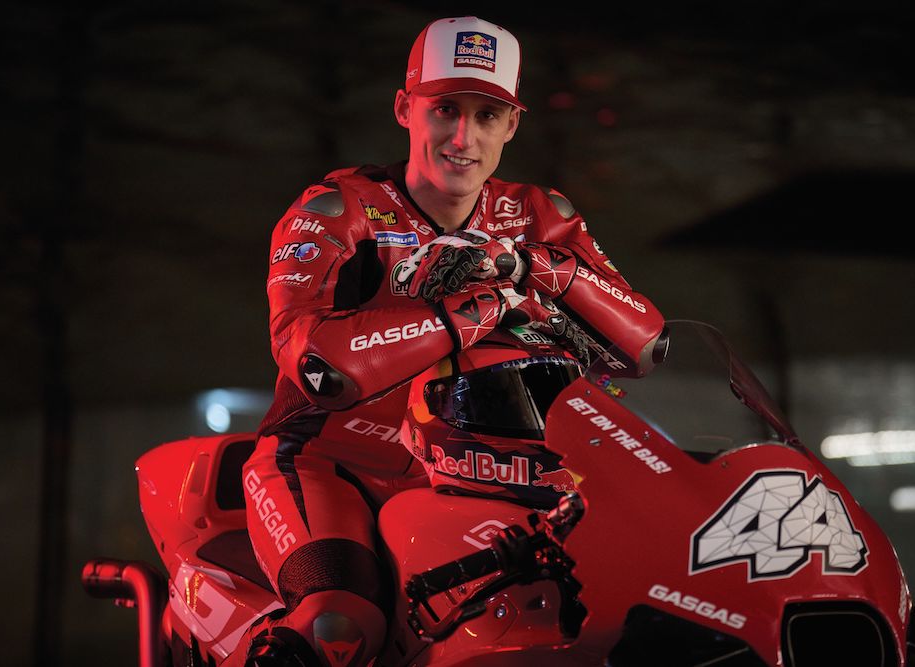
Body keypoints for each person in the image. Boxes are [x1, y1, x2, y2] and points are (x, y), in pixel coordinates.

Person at [229, 15, 665, 667]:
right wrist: (477, 308)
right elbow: (319, 367)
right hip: (331, 463)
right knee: (339, 629)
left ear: (512, 125)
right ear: (405, 109)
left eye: (487, 116)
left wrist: (531, 266)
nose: (464, 138)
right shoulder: (337, 208)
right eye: (445, 110)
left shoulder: (539, 214)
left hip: (487, 475)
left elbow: (645, 345)